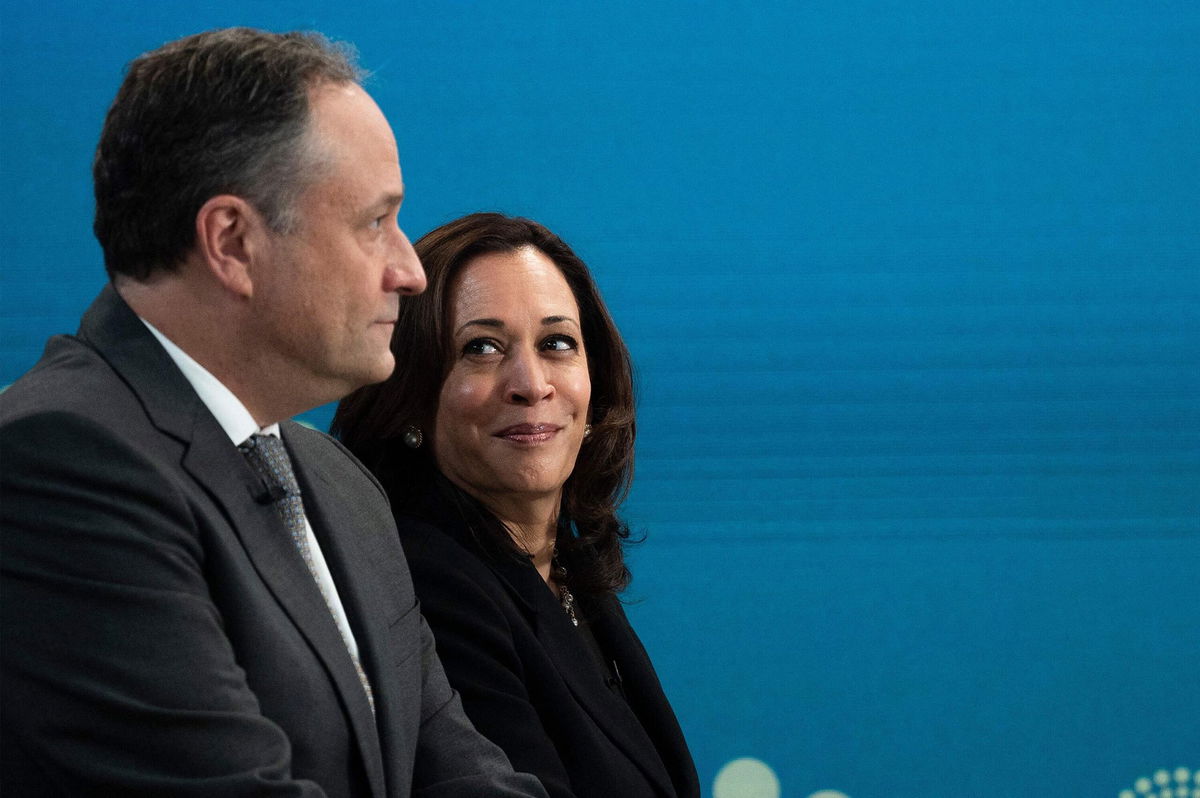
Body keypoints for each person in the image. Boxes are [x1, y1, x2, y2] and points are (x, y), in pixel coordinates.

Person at [0, 29, 547, 798]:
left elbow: (459, 771)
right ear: (232, 241)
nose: (410, 271)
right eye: (374, 223)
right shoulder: (59, 464)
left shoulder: (339, 483)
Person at [333, 213, 701, 798]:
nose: (531, 383)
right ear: (409, 396)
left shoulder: (563, 568)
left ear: (594, 379)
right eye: (481, 348)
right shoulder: (428, 583)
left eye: (557, 343)